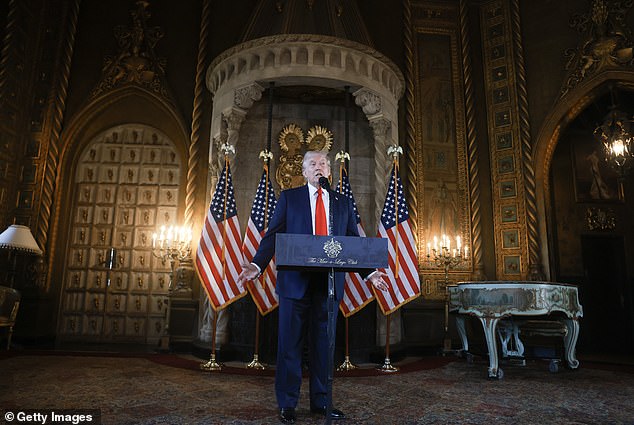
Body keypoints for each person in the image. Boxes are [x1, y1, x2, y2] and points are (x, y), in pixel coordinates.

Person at [237, 150, 388, 424]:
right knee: (289, 346)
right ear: (304, 171)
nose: (319, 167)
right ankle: (287, 403)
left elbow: (353, 242)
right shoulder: (290, 198)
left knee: (324, 346)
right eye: (313, 164)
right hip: (294, 283)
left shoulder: (342, 203)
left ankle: (322, 402)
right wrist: (257, 265)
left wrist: (370, 274)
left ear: (329, 171)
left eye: (323, 164)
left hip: (328, 286)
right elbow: (272, 236)